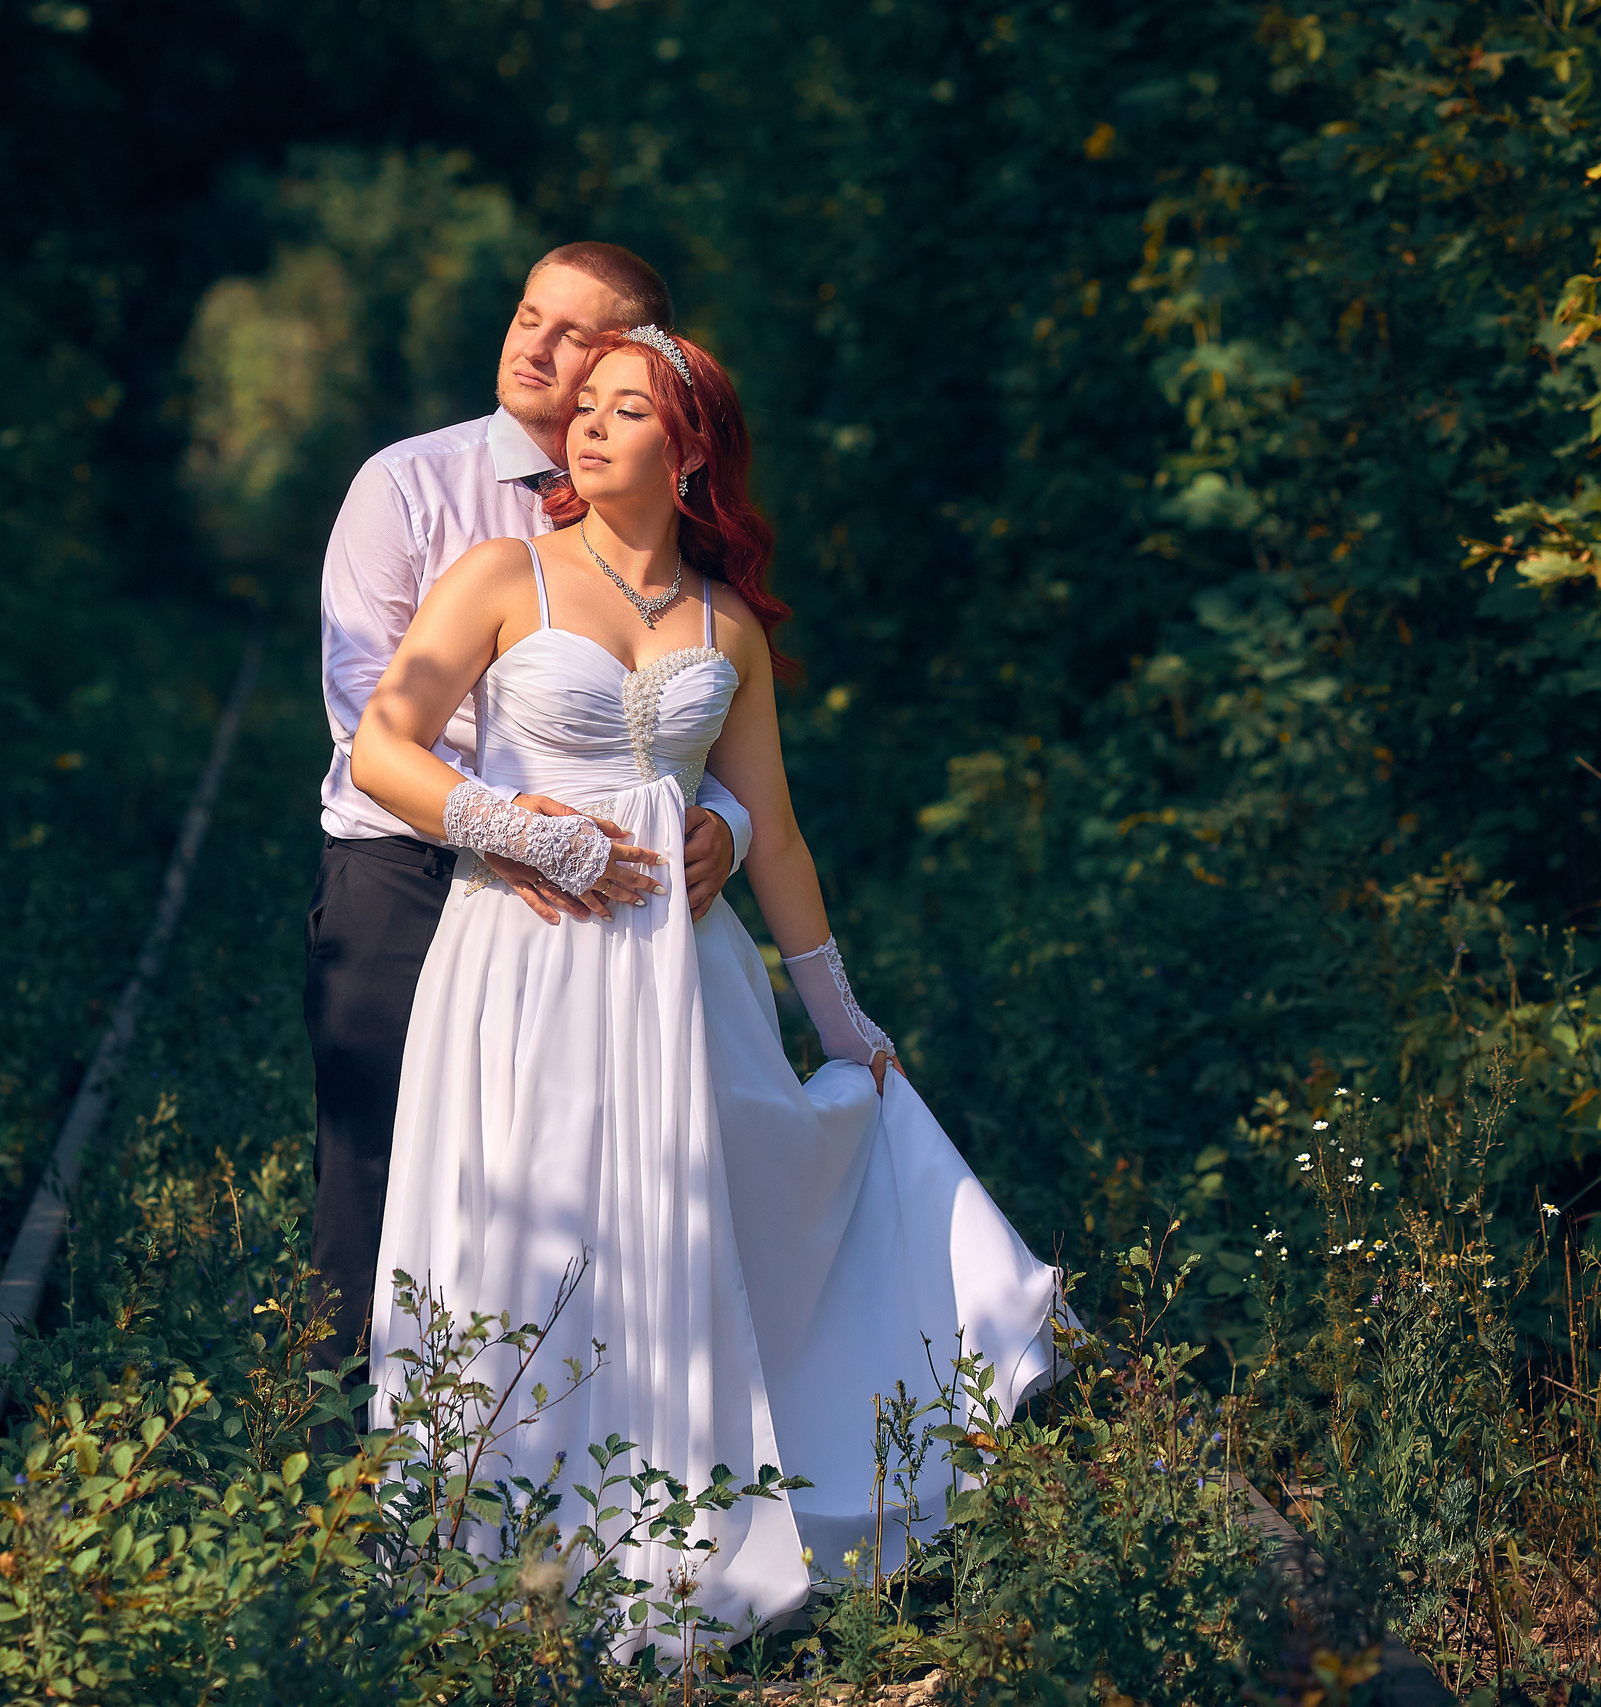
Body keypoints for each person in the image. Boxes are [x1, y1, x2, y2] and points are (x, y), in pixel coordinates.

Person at [348, 326, 1062, 1636]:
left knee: (709, 1221)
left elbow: (774, 830)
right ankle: (504, 1563)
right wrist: (517, 827)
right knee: (536, 1233)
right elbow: (384, 747)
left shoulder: (723, 622)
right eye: (589, 406)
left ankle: (687, 1549)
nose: (592, 425)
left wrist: (842, 1016)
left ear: (689, 458)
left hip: (686, 977)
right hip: (522, 960)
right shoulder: (504, 573)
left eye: (630, 410)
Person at [305, 243, 753, 1379]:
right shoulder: (407, 483)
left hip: (616, 886)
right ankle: (337, 1460)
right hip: (405, 862)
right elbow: (371, 715)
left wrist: (725, 827)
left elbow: (692, 703)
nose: (532, 347)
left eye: (572, 337)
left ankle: (583, 1429)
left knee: (590, 1170)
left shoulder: (653, 496)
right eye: (525, 316)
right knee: (388, 1156)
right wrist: (511, 828)